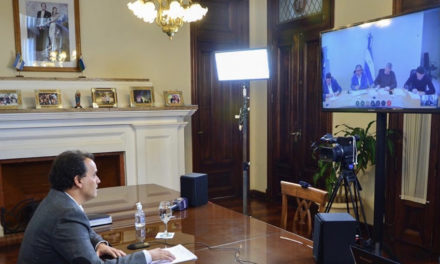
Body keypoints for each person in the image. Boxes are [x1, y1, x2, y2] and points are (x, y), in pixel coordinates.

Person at [17, 150, 175, 264]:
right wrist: (148, 256)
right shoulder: (66, 213)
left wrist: (99, 243)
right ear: (78, 180)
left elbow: (83, 230)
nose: (99, 180)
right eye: (94, 175)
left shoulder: (58, 199)